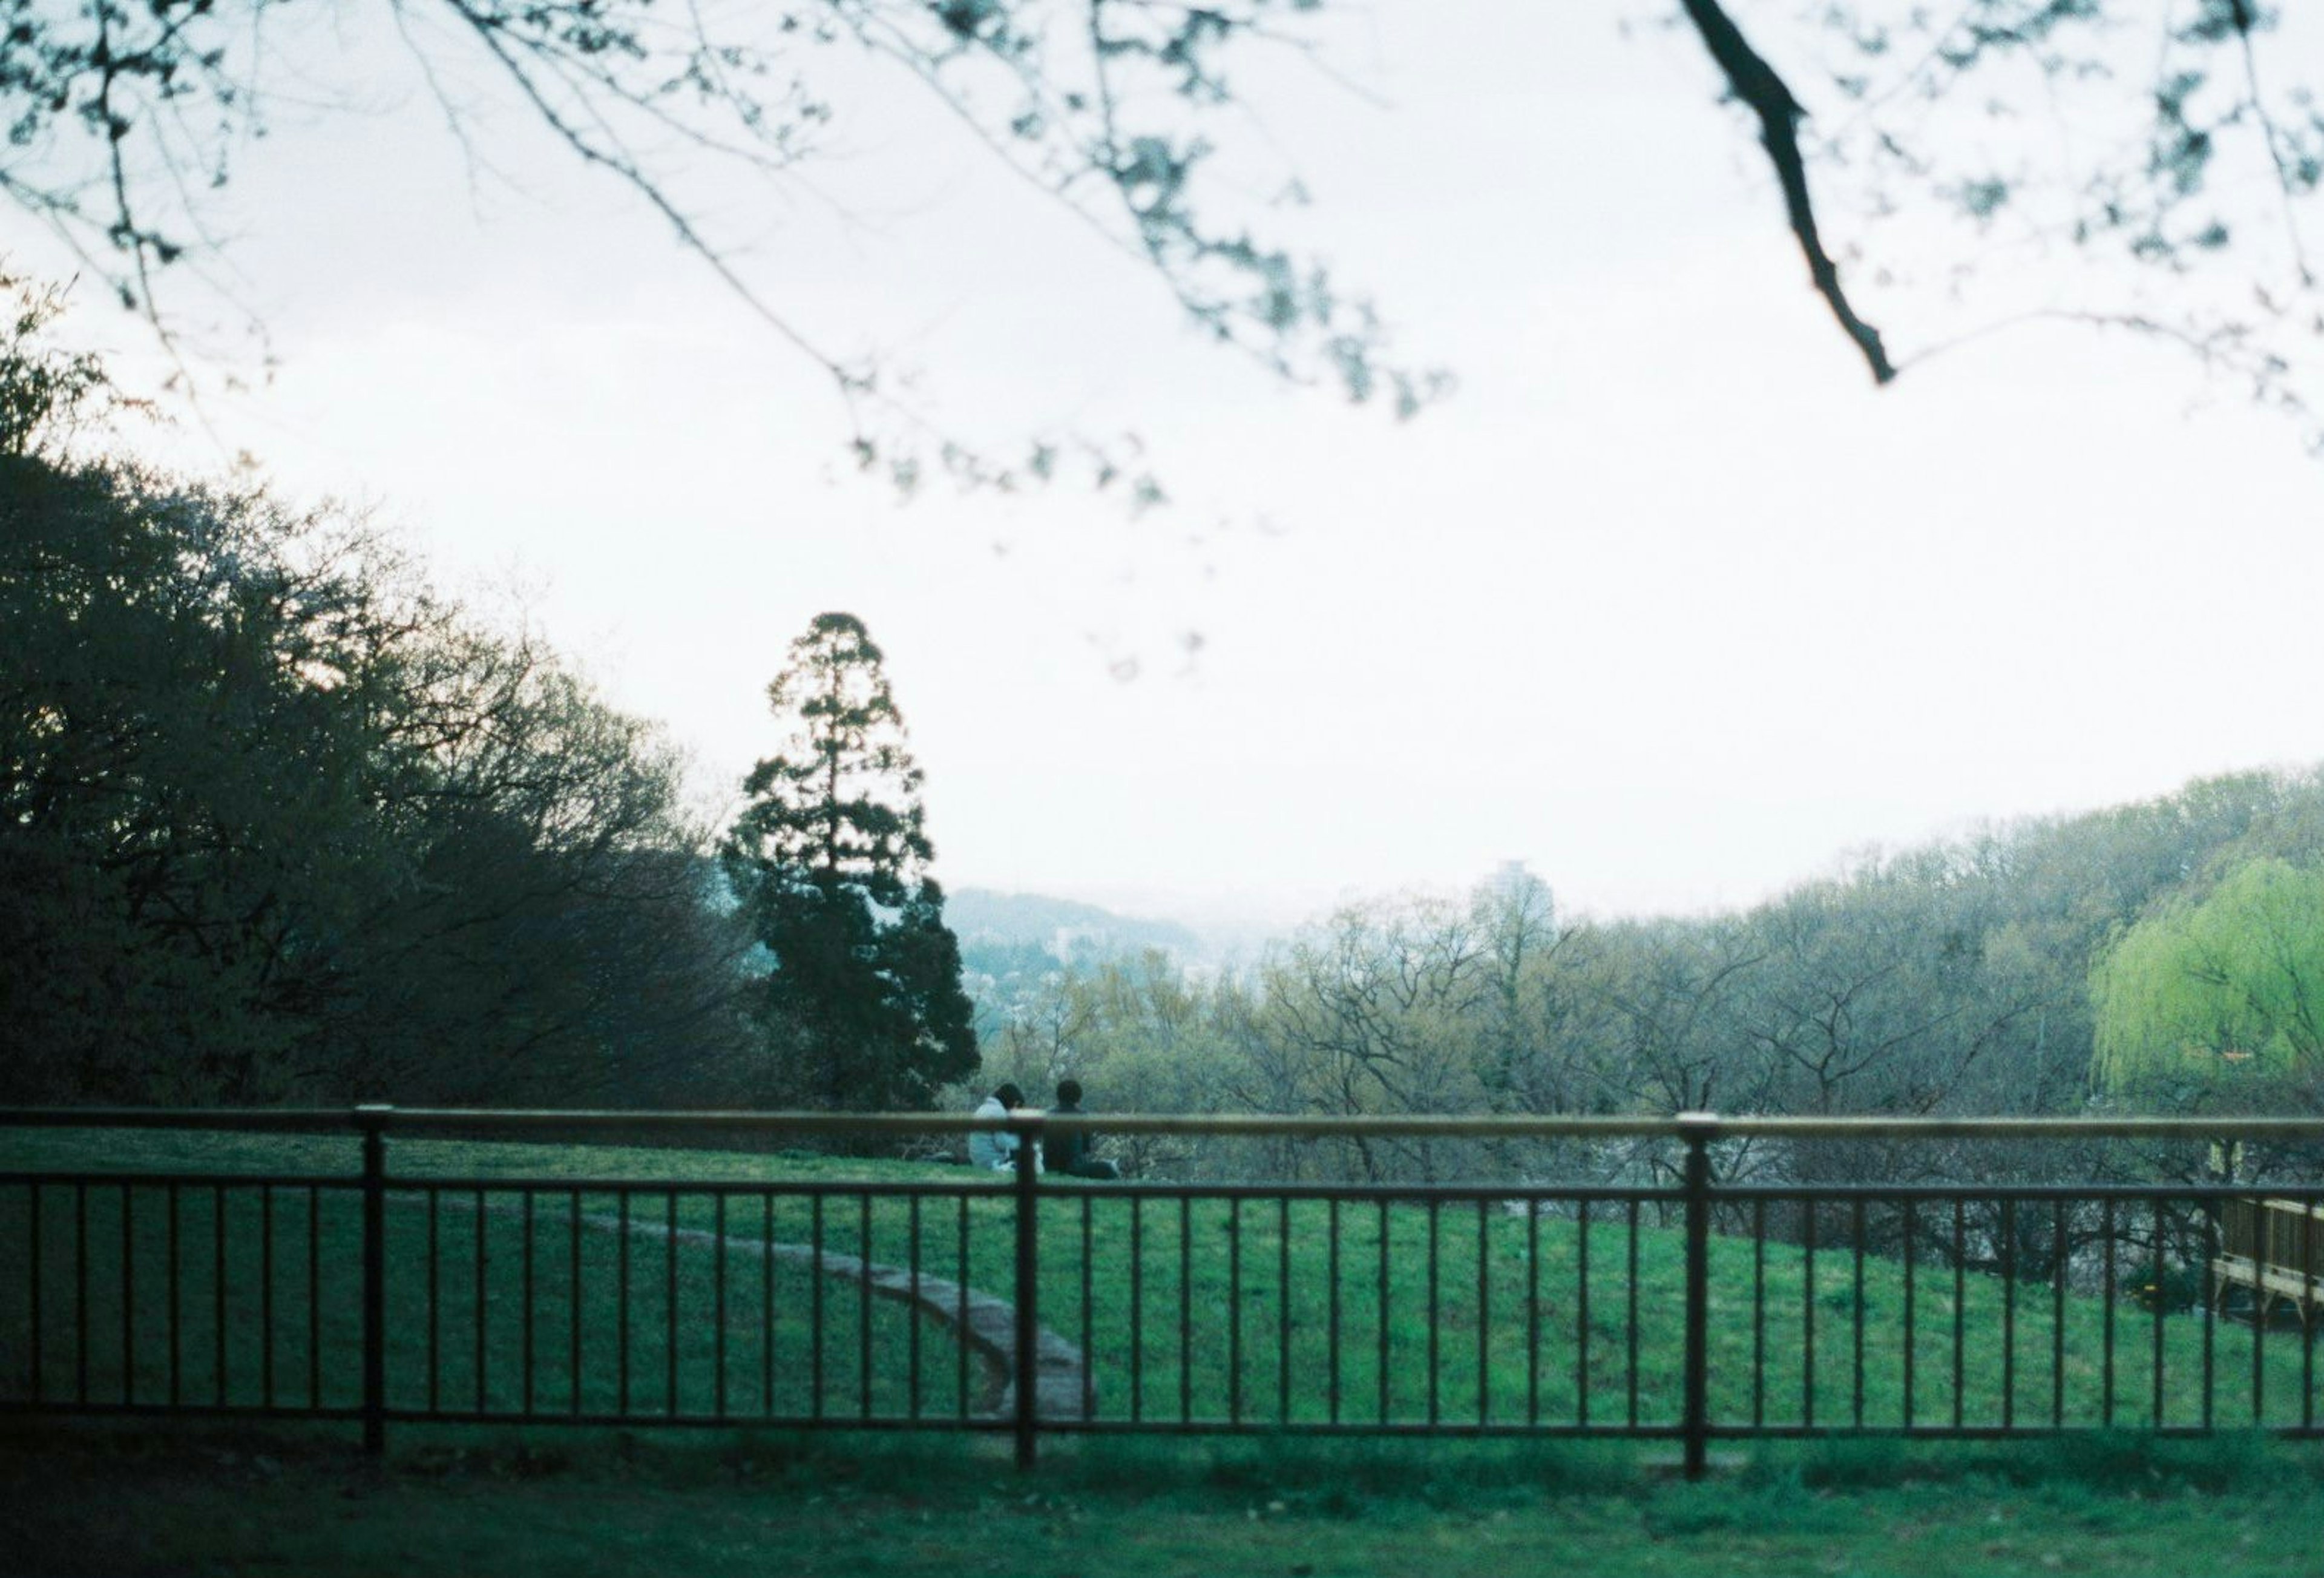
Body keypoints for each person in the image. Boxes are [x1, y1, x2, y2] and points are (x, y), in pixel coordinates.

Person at [1042, 1078, 1121, 1180]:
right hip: (1074, 1169)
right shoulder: (1082, 1116)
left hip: (1050, 1167)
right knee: (1108, 1168)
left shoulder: (1048, 1115)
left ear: (1058, 1096)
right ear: (1078, 1097)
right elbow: (1086, 1148)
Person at [968, 1083, 1025, 1171]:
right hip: (992, 1163)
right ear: (1013, 1102)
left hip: (978, 1161)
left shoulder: (984, 1108)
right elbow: (1003, 1144)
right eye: (1017, 1106)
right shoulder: (999, 1112)